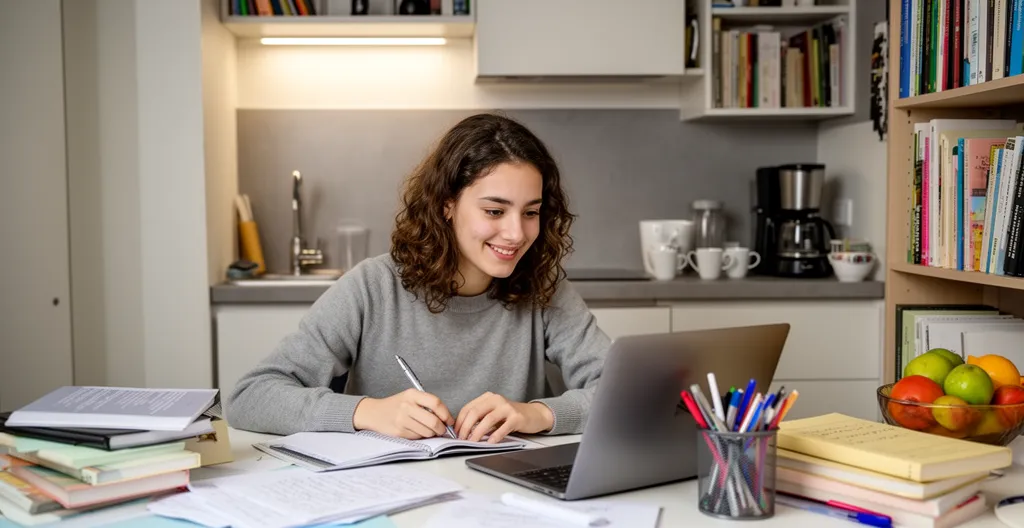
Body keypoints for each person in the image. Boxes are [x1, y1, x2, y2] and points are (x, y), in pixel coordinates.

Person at [225, 113, 611, 444]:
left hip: (505, 490)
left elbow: (626, 394)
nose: (516, 233)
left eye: (531, 212)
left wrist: (539, 414)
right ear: (447, 205)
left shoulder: (545, 287)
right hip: (390, 490)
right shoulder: (372, 287)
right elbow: (251, 397)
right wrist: (366, 411)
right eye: (495, 211)